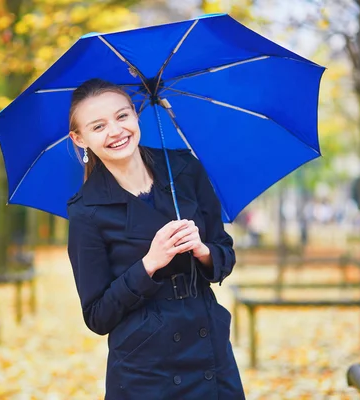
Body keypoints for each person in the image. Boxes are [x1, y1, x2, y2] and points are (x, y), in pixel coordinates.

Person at [67, 78, 244, 399]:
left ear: (136, 115)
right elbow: (97, 315)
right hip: (145, 367)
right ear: (80, 139)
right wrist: (149, 264)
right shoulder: (86, 211)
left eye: (122, 116)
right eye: (98, 126)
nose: (116, 131)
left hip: (210, 352)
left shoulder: (185, 168)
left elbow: (225, 255)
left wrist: (203, 249)